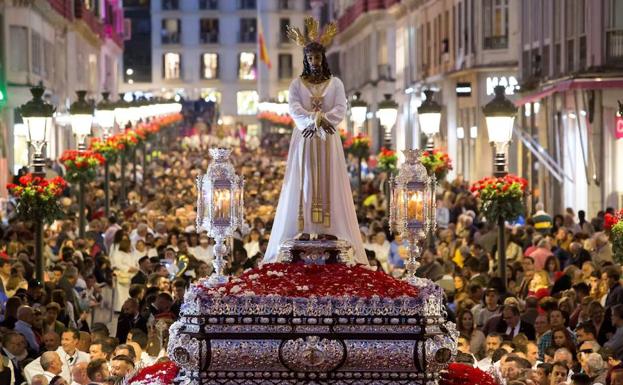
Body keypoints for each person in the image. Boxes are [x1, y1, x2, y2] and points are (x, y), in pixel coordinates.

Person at [264, 17, 367, 265]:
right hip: (306, 138)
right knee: (306, 179)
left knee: (329, 179)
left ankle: (328, 225)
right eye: (310, 58)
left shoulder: (336, 83)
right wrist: (312, 121)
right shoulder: (297, 84)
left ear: (323, 59)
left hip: (327, 138)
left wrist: (320, 121)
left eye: (317, 58)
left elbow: (341, 107)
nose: (314, 62)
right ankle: (306, 225)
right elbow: (294, 108)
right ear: (306, 60)